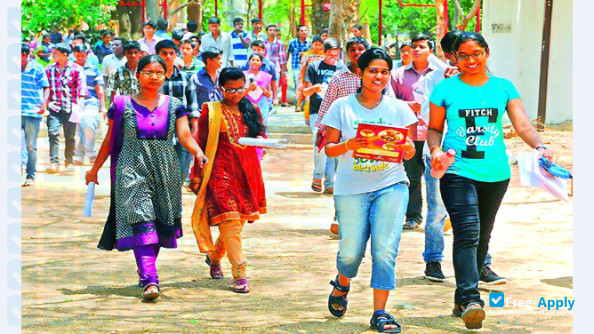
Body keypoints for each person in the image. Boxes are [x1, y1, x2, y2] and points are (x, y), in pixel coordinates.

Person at [426, 31, 554, 329]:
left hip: (496, 174)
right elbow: (434, 128)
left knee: (482, 237)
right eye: (463, 55)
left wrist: (540, 145)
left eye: (476, 54)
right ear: (454, 58)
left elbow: (522, 124)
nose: (470, 60)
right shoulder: (444, 89)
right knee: (467, 234)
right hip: (457, 170)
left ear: (486, 53)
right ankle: (472, 299)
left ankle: (461, 297)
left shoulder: (503, 87)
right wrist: (434, 149)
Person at [85, 55, 206, 301]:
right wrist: (95, 169)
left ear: (166, 75)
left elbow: (184, 135)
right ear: (138, 74)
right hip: (130, 166)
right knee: (141, 218)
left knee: (158, 221)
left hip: (166, 168)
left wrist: (197, 152)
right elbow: (110, 140)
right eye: (148, 72)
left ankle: (145, 271)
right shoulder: (120, 104)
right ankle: (151, 280)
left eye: (159, 72)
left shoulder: (174, 105)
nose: (154, 77)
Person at [321, 48, 417, 333]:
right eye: (373, 70)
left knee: (385, 250)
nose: (379, 76)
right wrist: (349, 145)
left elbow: (408, 151)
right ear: (360, 72)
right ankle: (342, 282)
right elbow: (329, 149)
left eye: (385, 71)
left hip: (391, 184)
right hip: (351, 188)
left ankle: (381, 313)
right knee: (350, 252)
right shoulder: (341, 106)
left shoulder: (399, 108)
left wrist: (410, 148)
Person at [189, 67, 267, 294]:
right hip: (220, 173)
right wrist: (196, 175)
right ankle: (240, 274)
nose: (235, 94)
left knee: (236, 224)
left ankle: (215, 257)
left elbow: (260, 135)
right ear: (221, 89)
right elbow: (200, 144)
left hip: (247, 173)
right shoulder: (211, 112)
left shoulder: (251, 108)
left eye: (240, 88)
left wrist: (262, 139)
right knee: (230, 223)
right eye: (230, 90)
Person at [313, 36, 394, 233]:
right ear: (347, 54)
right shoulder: (339, 77)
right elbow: (327, 104)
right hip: (345, 138)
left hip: (375, 135)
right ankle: (340, 215)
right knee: (344, 176)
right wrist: (321, 131)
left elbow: (390, 101)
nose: (357, 53)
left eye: (360, 49)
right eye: (353, 50)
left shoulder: (379, 76)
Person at [390, 34, 438, 231]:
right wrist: (409, 105)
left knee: (436, 178)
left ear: (431, 51)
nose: (416, 50)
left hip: (433, 134)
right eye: (414, 46)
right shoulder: (398, 75)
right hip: (408, 134)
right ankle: (413, 217)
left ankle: (439, 217)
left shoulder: (440, 74)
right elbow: (388, 101)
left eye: (422, 46)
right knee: (412, 177)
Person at [303, 38, 345, 194]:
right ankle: (317, 176)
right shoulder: (314, 67)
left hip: (336, 113)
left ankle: (330, 182)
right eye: (330, 54)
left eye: (336, 54)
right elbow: (305, 92)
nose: (333, 57)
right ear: (324, 52)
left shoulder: (342, 68)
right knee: (319, 145)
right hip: (318, 111)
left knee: (334, 146)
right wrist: (315, 88)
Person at [156, 39, 198, 183]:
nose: (168, 56)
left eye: (171, 53)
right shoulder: (153, 79)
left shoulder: (186, 78)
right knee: (159, 178)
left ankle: (173, 204)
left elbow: (193, 106)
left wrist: (195, 130)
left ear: (176, 55)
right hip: (158, 133)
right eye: (164, 53)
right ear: (157, 55)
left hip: (183, 133)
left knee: (179, 176)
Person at [44, 43, 87, 174]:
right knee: (53, 133)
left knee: (70, 136)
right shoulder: (49, 69)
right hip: (54, 107)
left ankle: (69, 161)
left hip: (70, 108)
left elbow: (81, 88)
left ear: (64, 55)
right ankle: (54, 162)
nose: (53, 55)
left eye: (55, 53)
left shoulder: (76, 69)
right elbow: (46, 87)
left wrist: (80, 103)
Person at [72, 44, 107, 165]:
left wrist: (102, 106)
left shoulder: (94, 69)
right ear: (74, 55)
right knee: (77, 128)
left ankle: (91, 152)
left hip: (90, 101)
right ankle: (78, 155)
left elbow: (99, 88)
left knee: (89, 124)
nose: (80, 58)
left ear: (87, 55)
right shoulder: (71, 68)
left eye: (83, 55)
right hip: (74, 102)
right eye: (77, 56)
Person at [21, 43, 50, 187]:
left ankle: (30, 175)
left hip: (32, 113)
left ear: (25, 55)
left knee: (31, 146)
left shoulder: (37, 68)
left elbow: (46, 87)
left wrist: (43, 103)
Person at [242, 41, 278, 110]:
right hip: (248, 99)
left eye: (259, 50)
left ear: (263, 51)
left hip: (264, 98)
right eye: (254, 49)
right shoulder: (245, 65)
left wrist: (275, 98)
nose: (256, 51)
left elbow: (273, 82)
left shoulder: (270, 65)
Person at [190, 47, 224, 116]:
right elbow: (193, 104)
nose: (221, 61)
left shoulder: (223, 76)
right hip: (203, 117)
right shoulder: (196, 78)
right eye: (218, 59)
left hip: (221, 116)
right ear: (208, 60)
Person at [296, 35, 325, 113]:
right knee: (307, 95)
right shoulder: (307, 55)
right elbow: (302, 69)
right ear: (312, 45)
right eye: (316, 44)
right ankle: (300, 107)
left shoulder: (324, 55)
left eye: (319, 45)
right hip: (308, 78)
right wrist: (301, 82)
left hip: (319, 78)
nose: (317, 47)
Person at [243, 53, 273, 126]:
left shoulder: (266, 76)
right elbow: (240, 93)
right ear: (249, 62)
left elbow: (269, 94)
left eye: (257, 60)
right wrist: (249, 89)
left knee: (262, 124)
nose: (255, 62)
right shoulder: (243, 75)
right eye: (253, 60)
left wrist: (264, 91)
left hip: (262, 103)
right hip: (247, 102)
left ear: (261, 63)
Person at [263, 24, 287, 107]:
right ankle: (267, 104)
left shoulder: (279, 43)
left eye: (274, 30)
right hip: (265, 67)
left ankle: (274, 102)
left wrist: (283, 71)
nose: (272, 32)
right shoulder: (263, 42)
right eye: (270, 30)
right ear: (267, 32)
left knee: (274, 86)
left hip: (275, 68)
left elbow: (282, 58)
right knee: (265, 85)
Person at [286, 25, 311, 95]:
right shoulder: (292, 42)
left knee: (307, 84)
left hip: (308, 67)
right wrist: (285, 66)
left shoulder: (310, 42)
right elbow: (287, 53)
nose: (304, 32)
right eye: (302, 31)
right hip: (296, 66)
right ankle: (297, 102)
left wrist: (305, 54)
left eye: (305, 30)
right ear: (298, 32)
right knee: (297, 84)